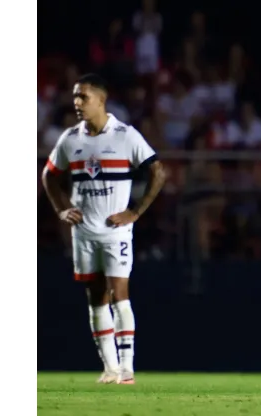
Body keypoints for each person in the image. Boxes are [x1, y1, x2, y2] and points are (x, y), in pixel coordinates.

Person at [41, 74, 167, 384]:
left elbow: (158, 172)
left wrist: (135, 212)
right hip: (83, 233)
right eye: (75, 96)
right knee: (96, 298)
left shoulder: (125, 135)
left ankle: (127, 368)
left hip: (115, 233)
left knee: (120, 295)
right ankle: (109, 368)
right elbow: (48, 175)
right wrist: (61, 208)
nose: (77, 102)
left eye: (83, 96)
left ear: (100, 100)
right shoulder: (71, 138)